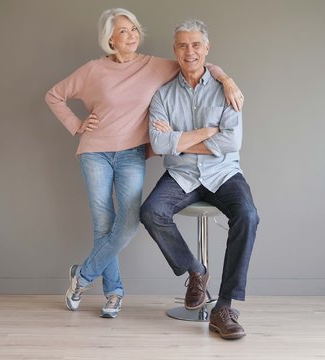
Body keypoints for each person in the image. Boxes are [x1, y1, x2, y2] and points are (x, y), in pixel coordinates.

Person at [45, 8, 244, 319]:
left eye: (135, 29)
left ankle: (81, 276)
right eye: (124, 30)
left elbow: (195, 62)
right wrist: (77, 124)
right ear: (109, 38)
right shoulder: (92, 70)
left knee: (127, 222)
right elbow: (55, 96)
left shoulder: (153, 66)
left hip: (132, 154)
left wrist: (227, 79)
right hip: (94, 151)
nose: (132, 35)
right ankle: (114, 293)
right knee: (102, 224)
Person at [140, 19, 259, 339]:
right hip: (182, 173)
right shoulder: (162, 95)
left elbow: (231, 143)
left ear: (206, 49)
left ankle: (224, 307)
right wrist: (207, 134)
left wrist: (181, 139)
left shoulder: (226, 90)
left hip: (224, 172)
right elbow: (160, 144)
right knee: (151, 212)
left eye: (196, 45)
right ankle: (196, 271)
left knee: (248, 215)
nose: (189, 51)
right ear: (174, 50)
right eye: (182, 45)